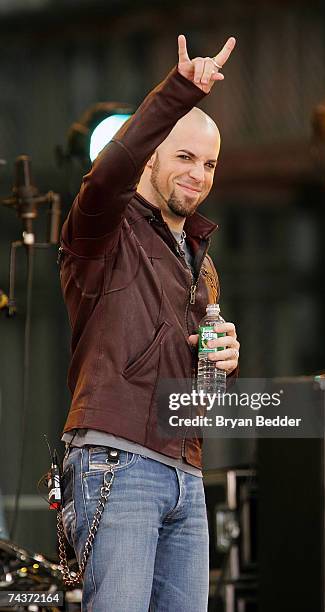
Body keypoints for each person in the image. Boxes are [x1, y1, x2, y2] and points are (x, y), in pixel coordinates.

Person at [58, 34, 240, 612]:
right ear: (152, 154)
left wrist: (225, 365)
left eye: (209, 164)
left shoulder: (199, 261)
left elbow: (202, 394)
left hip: (185, 470)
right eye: (185, 156)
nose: (199, 174)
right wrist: (179, 92)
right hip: (118, 457)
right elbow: (110, 172)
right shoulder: (105, 226)